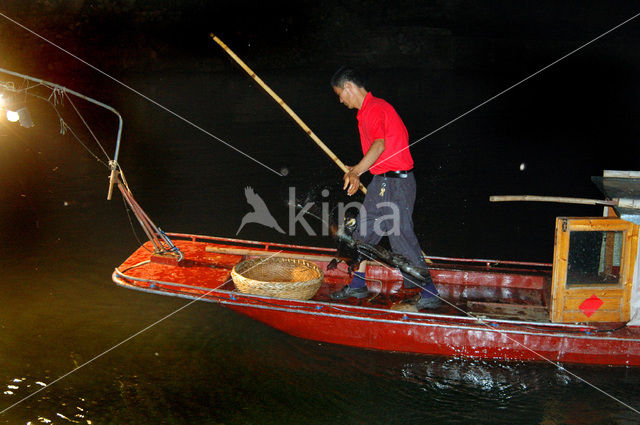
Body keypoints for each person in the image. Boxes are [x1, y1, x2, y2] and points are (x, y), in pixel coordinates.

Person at [329, 66, 441, 310]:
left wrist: (356, 171)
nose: (340, 100)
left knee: (401, 237)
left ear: (348, 86)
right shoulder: (368, 112)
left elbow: (379, 145)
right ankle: (358, 285)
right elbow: (380, 153)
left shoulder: (375, 108)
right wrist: (358, 170)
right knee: (361, 234)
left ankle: (429, 292)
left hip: (397, 182)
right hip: (382, 181)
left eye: (340, 93)